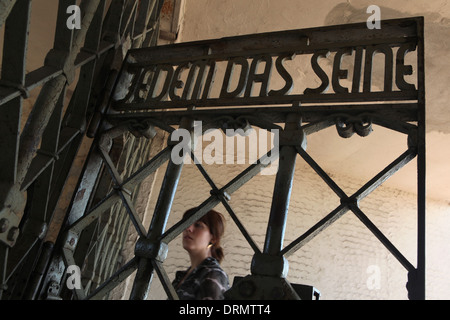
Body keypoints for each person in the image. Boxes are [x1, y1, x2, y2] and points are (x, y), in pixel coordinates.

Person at [172, 207, 229, 300]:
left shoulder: (212, 274)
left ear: (213, 239)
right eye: (186, 223)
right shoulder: (182, 276)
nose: (188, 228)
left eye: (198, 225)